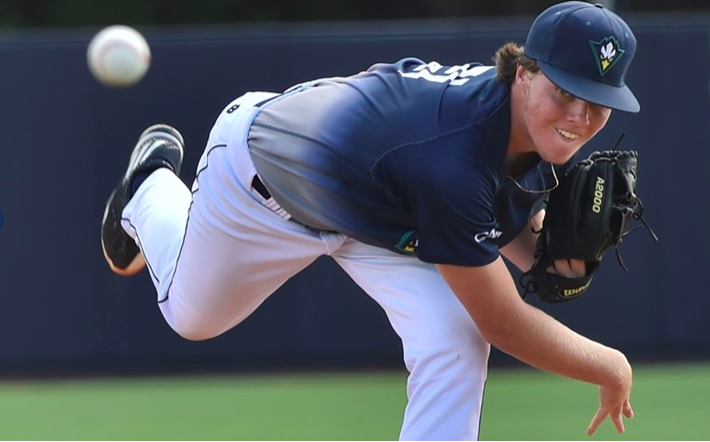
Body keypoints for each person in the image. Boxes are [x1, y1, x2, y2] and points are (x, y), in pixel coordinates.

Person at [100, 2, 639, 439]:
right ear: (525, 73)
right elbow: (502, 318)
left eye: (597, 100)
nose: (580, 117)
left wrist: (556, 260)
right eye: (566, 92)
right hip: (262, 182)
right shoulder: (451, 158)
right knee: (192, 318)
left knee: (453, 337)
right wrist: (606, 364)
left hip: (377, 211)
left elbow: (519, 252)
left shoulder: (524, 126)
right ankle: (149, 185)